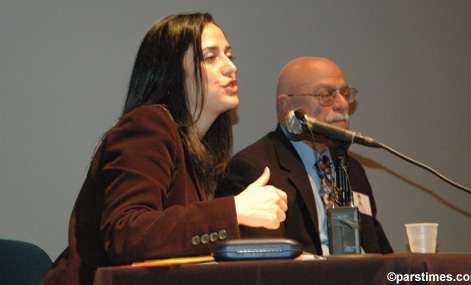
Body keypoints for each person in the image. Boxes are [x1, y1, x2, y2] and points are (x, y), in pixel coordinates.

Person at [41, 13, 287, 284]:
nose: (230, 66)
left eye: (229, 55)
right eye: (210, 57)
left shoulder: (190, 147)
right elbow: (126, 234)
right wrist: (235, 209)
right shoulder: (147, 125)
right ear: (171, 72)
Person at [216, 57, 392, 256]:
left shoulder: (352, 169)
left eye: (344, 94)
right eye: (326, 95)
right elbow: (265, 264)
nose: (342, 104)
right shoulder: (253, 169)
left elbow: (381, 252)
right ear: (286, 105)